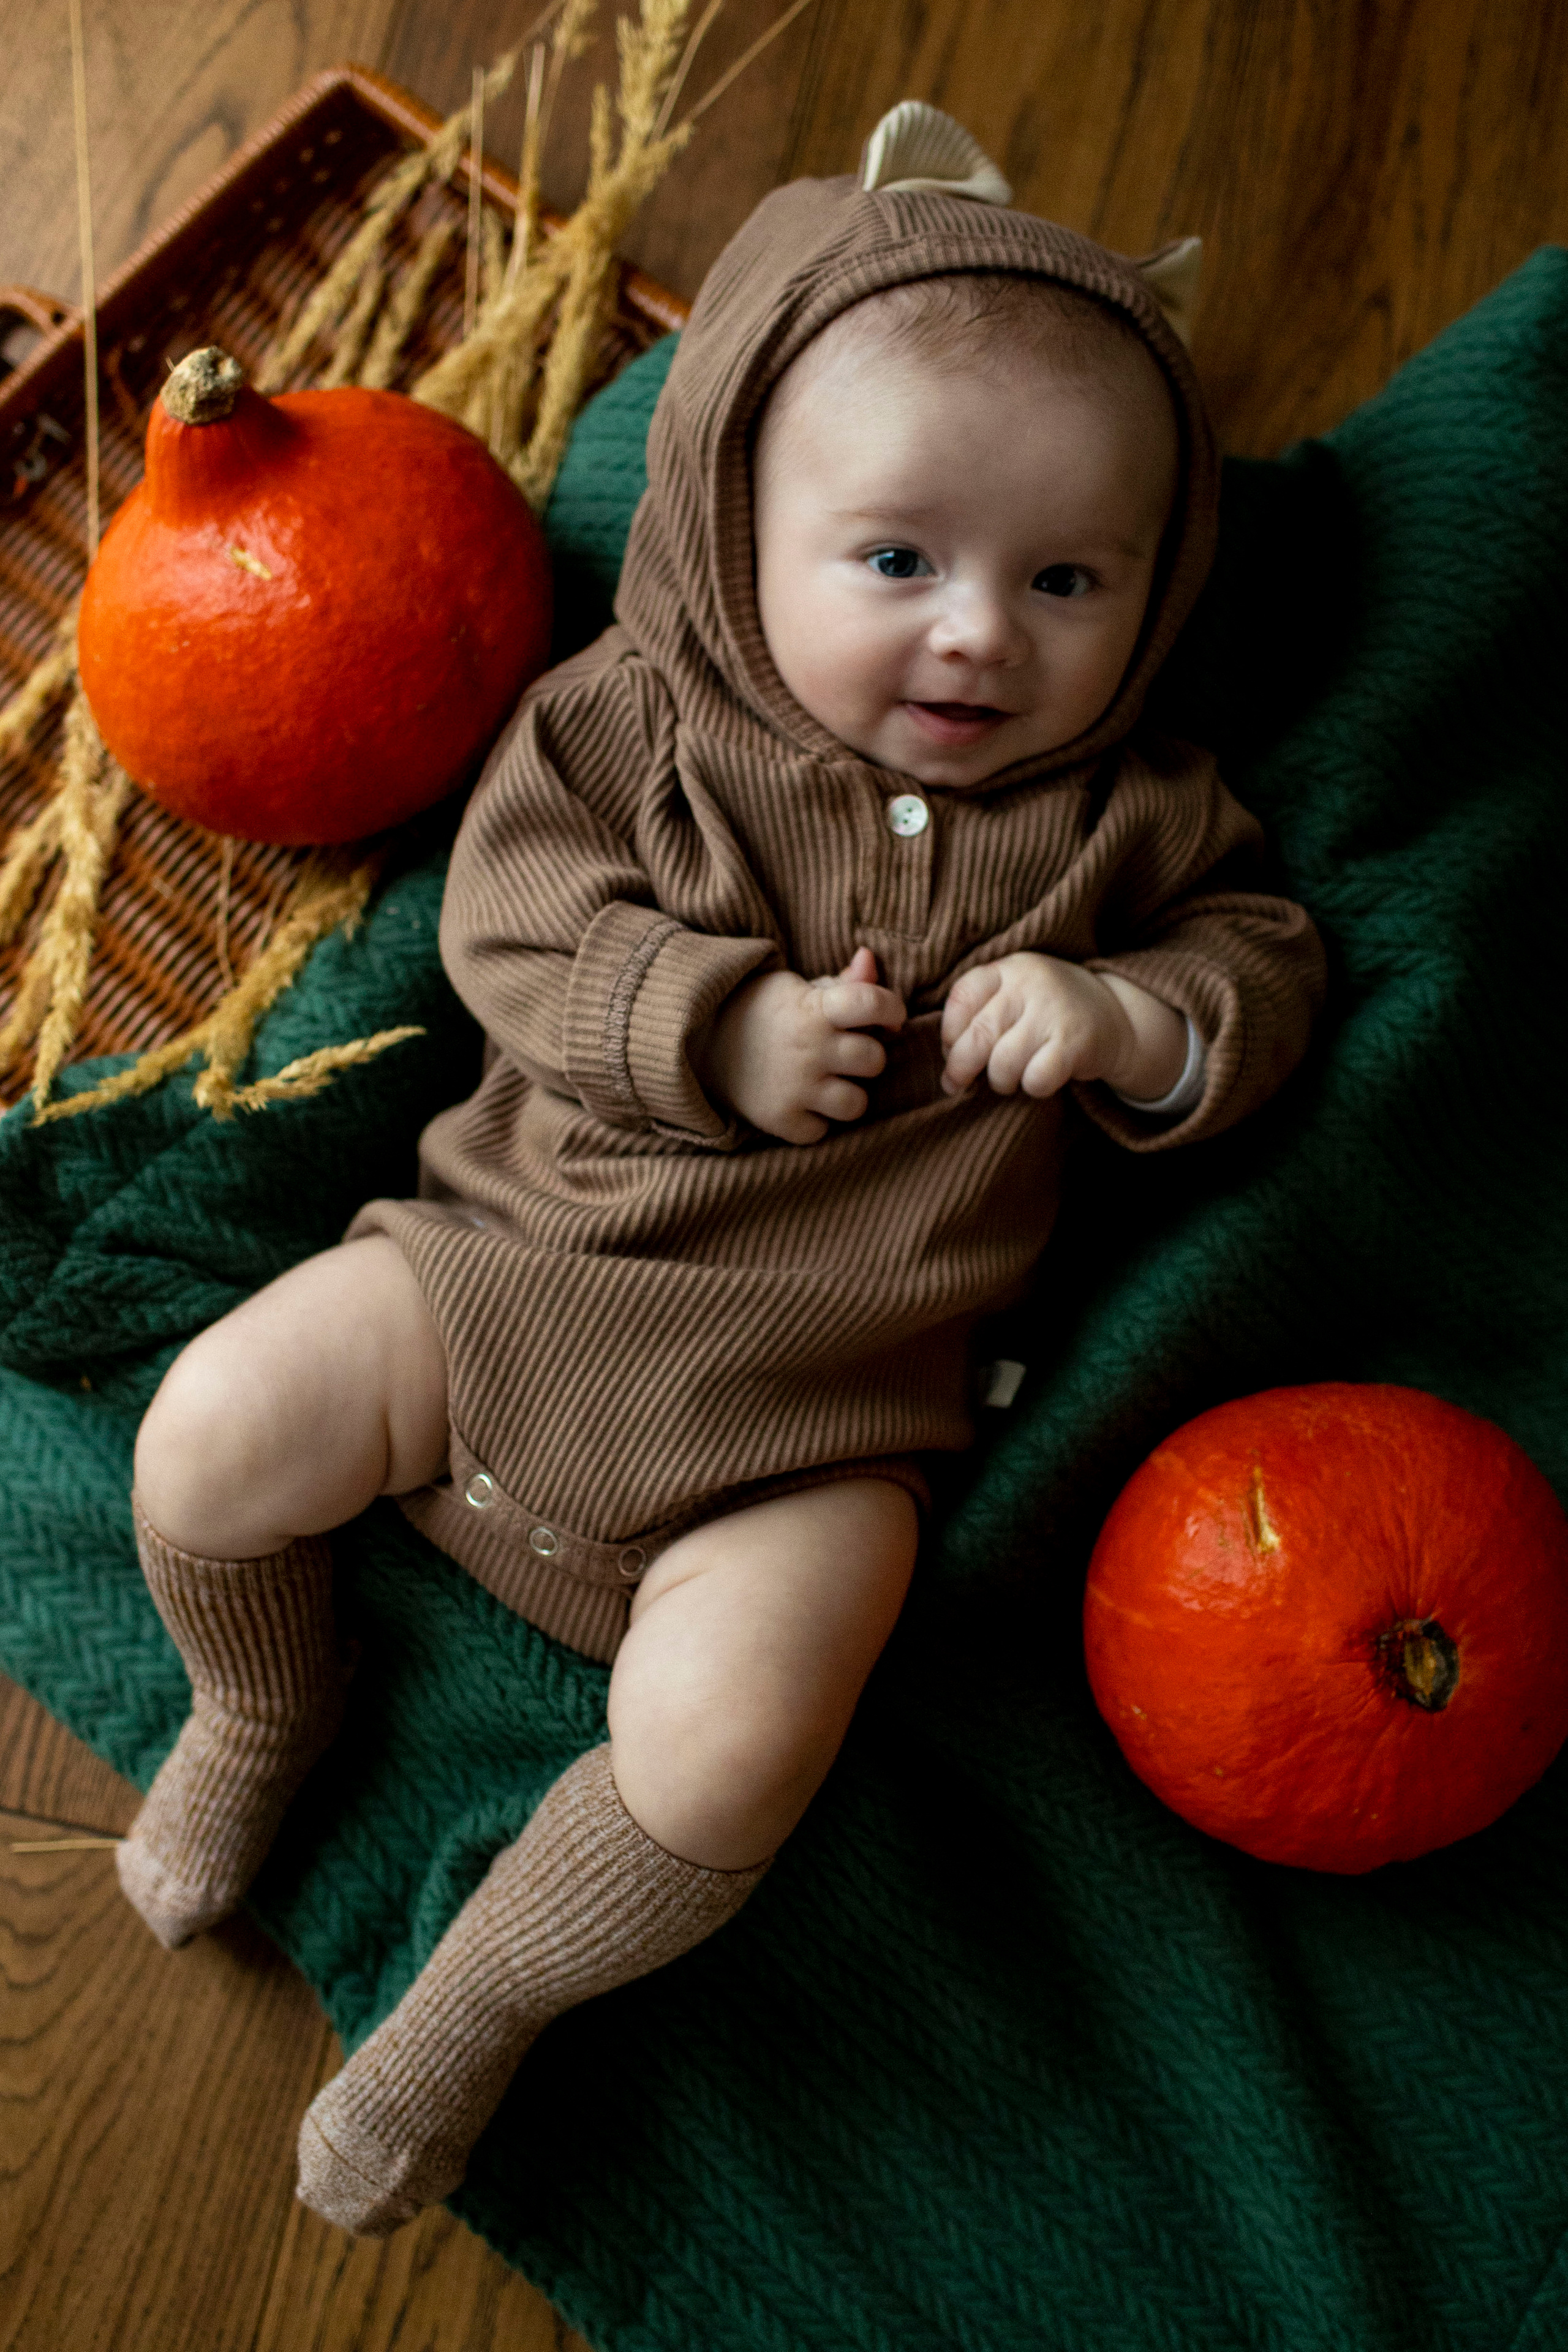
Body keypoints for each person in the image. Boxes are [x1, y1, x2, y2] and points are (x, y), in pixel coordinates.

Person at [116, 108, 1325, 2236]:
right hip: (502, 1280)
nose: (976, 637)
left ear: (1157, 597)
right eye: (898, 562)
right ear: (730, 521)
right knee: (210, 1426)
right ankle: (261, 1700)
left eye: (1067, 582)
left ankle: (476, 2007)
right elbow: (511, 914)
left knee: (739, 1749)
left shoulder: (1141, 828)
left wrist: (1134, 1022)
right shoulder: (637, 723)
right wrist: (707, 1022)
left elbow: (1269, 974)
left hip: (816, 1434)